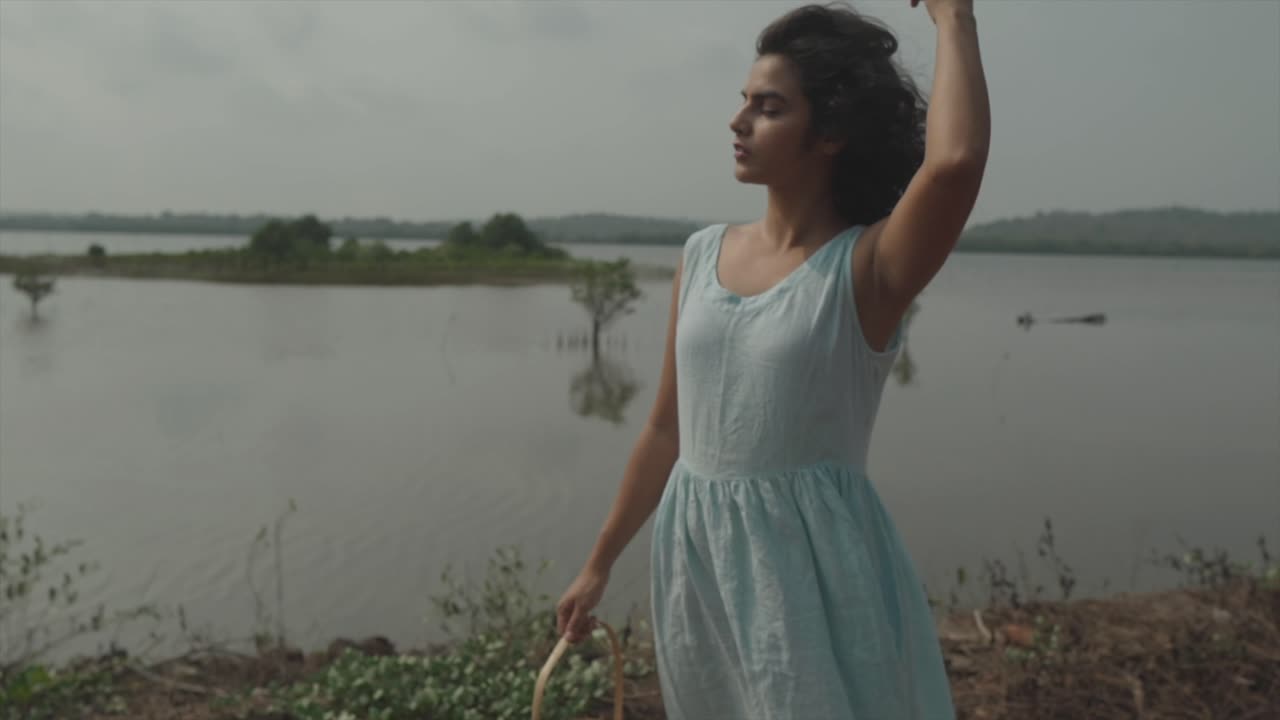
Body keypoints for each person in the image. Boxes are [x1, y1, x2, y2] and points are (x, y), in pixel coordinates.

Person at [556, 0, 989, 716]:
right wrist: (598, 565)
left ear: (832, 132)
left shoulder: (868, 268)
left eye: (769, 107)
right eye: (744, 102)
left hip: (813, 579)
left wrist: (954, 17)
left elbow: (954, 164)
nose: (738, 122)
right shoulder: (701, 254)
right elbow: (667, 430)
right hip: (697, 567)